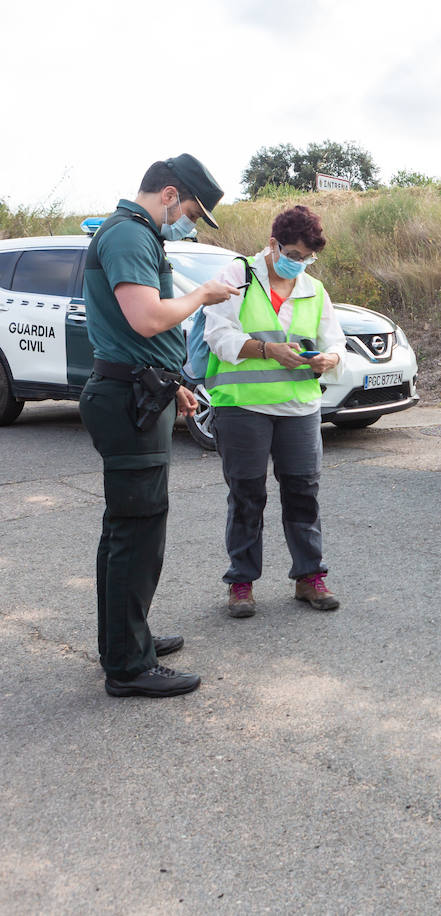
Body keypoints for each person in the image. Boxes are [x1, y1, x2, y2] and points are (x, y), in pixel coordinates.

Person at [79, 154, 235, 698]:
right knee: (136, 531)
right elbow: (146, 318)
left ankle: (125, 640)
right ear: (169, 194)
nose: (189, 220)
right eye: (192, 209)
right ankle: (127, 665)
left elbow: (139, 337)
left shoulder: (135, 233)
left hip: (139, 391)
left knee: (130, 527)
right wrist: (201, 295)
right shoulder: (128, 235)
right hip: (127, 401)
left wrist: (174, 384)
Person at [204, 205, 347, 618]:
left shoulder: (313, 289)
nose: (299, 264)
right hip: (243, 407)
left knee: (304, 493)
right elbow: (219, 336)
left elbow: (334, 340)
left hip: (299, 407)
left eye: (307, 258)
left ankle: (310, 578)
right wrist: (267, 350)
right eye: (294, 255)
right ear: (273, 244)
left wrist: (328, 359)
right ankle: (242, 584)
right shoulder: (238, 276)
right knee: (247, 496)